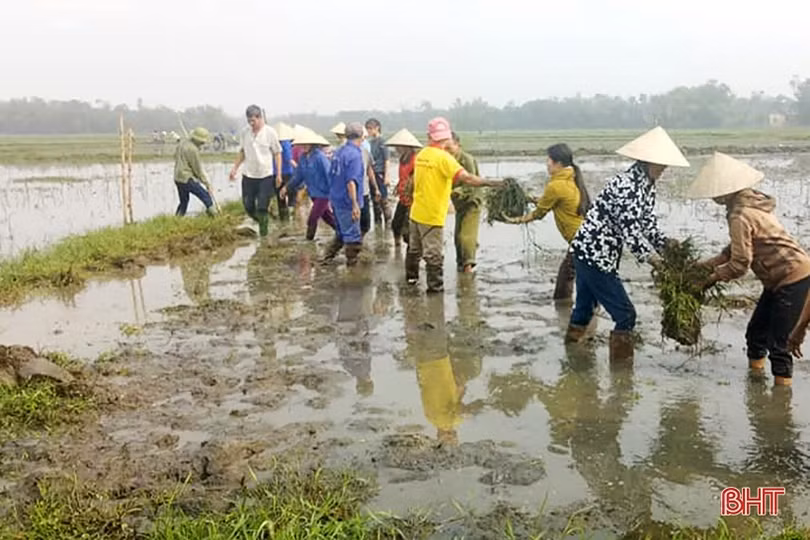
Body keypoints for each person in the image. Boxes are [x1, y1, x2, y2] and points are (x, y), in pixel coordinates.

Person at [565, 127, 690, 363]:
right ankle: (621, 377)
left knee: (583, 309)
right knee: (626, 315)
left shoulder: (645, 185)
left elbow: (647, 224)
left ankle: (572, 359)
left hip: (591, 253)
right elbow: (631, 232)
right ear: (647, 161)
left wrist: (666, 246)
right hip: (594, 255)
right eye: (661, 165)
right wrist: (655, 261)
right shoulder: (627, 186)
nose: (663, 171)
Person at [688, 152, 810, 387]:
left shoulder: (740, 214)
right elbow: (730, 253)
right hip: (778, 280)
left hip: (793, 277)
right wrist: (699, 267)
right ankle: (755, 385)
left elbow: (739, 265)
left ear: (726, 191)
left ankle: (779, 406)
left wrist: (707, 281)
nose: (713, 196)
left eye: (715, 191)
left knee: (779, 344)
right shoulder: (749, 204)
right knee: (756, 335)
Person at [407, 117, 502, 293]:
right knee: (433, 255)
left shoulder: (421, 155)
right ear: (445, 137)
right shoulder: (445, 159)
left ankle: (411, 280)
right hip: (432, 214)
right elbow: (467, 178)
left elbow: (413, 182)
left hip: (416, 212)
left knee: (414, 249)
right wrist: (492, 183)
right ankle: (435, 290)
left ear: (430, 136)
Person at [506, 143, 592, 301]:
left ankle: (572, 312)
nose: (547, 164)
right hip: (587, 238)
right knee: (573, 275)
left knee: (573, 279)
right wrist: (529, 198)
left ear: (558, 164)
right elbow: (551, 201)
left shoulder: (556, 186)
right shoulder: (572, 178)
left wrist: (513, 220)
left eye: (549, 160)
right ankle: (575, 309)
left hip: (580, 241)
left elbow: (538, 213)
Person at [228, 105, 283, 237]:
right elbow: (242, 152)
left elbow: (277, 153)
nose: (251, 124)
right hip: (249, 175)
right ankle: (265, 222)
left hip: (265, 175)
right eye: (249, 121)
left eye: (253, 120)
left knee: (262, 207)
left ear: (260, 118)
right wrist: (235, 168)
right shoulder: (245, 132)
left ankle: (264, 236)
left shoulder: (270, 133)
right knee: (248, 206)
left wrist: (279, 174)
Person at [280, 128, 336, 240]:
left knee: (312, 218)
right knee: (328, 217)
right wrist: (286, 188)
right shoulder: (303, 158)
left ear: (312, 143)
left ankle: (308, 241)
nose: (304, 146)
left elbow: (330, 175)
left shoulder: (320, 157)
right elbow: (298, 176)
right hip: (313, 193)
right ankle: (343, 234)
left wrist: (334, 195)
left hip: (324, 193)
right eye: (302, 144)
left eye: (307, 143)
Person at [323, 122, 366, 266]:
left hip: (336, 198)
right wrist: (354, 205)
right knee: (353, 238)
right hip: (348, 201)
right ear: (361, 136)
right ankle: (352, 270)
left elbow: (332, 175)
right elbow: (351, 182)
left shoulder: (339, 152)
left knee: (341, 232)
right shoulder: (354, 155)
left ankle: (327, 258)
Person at [446, 132, 483, 274]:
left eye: (450, 148)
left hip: (472, 201)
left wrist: (456, 192)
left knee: (466, 236)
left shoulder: (466, 160)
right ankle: (460, 264)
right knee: (457, 236)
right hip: (459, 203)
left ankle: (468, 268)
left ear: (458, 145)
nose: (447, 151)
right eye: (445, 148)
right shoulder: (447, 161)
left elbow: (471, 182)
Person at [384, 128, 422, 247]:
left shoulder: (416, 160)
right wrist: (398, 186)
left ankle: (412, 251)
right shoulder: (403, 159)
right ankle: (397, 247)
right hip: (402, 197)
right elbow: (403, 176)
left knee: (407, 229)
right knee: (396, 224)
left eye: (398, 146)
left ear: (406, 146)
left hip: (411, 199)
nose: (396, 149)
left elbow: (416, 179)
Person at [172, 127, 217, 217]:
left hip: (177, 177)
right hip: (186, 178)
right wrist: (207, 183)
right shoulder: (193, 150)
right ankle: (215, 216)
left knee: (184, 201)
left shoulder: (182, 144)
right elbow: (198, 169)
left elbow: (175, 156)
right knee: (205, 196)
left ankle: (177, 219)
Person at [366, 118, 393, 227]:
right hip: (372, 174)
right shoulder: (369, 143)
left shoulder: (382, 142)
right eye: (367, 129)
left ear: (377, 128)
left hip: (380, 173)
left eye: (370, 128)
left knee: (383, 200)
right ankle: (377, 223)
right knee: (374, 200)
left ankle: (388, 223)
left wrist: (387, 176)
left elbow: (387, 160)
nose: (368, 131)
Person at [274, 122, 296, 222]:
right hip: (287, 172)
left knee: (280, 197)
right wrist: (299, 168)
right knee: (291, 195)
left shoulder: (273, 143)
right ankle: (293, 216)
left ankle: (283, 219)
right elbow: (288, 158)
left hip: (275, 173)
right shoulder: (285, 143)